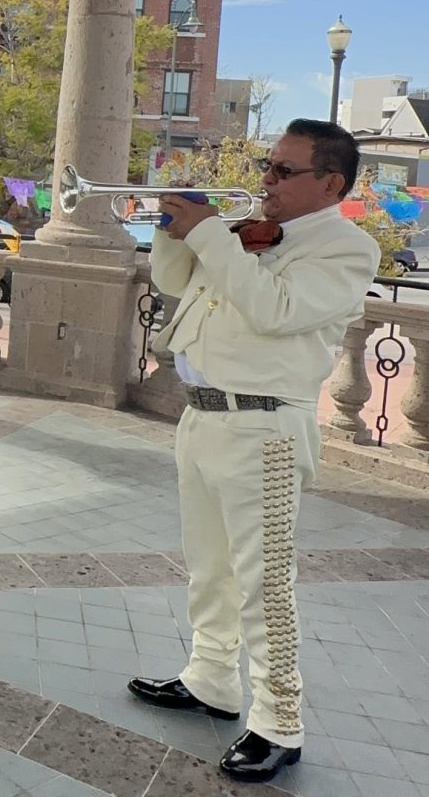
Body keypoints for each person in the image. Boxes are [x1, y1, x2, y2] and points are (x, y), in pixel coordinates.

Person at [129, 119, 380, 783]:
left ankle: (279, 721)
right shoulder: (249, 232)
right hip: (205, 418)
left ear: (330, 182)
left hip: (265, 431)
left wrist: (212, 233)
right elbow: (175, 282)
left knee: (266, 585)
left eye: (282, 171)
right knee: (208, 568)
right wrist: (174, 228)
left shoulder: (346, 249)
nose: (264, 180)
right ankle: (211, 677)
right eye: (267, 165)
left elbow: (272, 308)